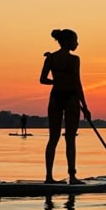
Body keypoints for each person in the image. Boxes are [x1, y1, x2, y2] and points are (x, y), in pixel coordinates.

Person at [40, 29, 90, 184]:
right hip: (71, 99)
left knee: (53, 138)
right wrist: (85, 106)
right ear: (68, 42)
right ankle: (72, 177)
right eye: (75, 41)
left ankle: (49, 177)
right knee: (70, 139)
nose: (77, 44)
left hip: (55, 97)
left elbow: (42, 80)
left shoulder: (51, 58)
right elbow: (77, 83)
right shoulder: (75, 59)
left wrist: (55, 81)